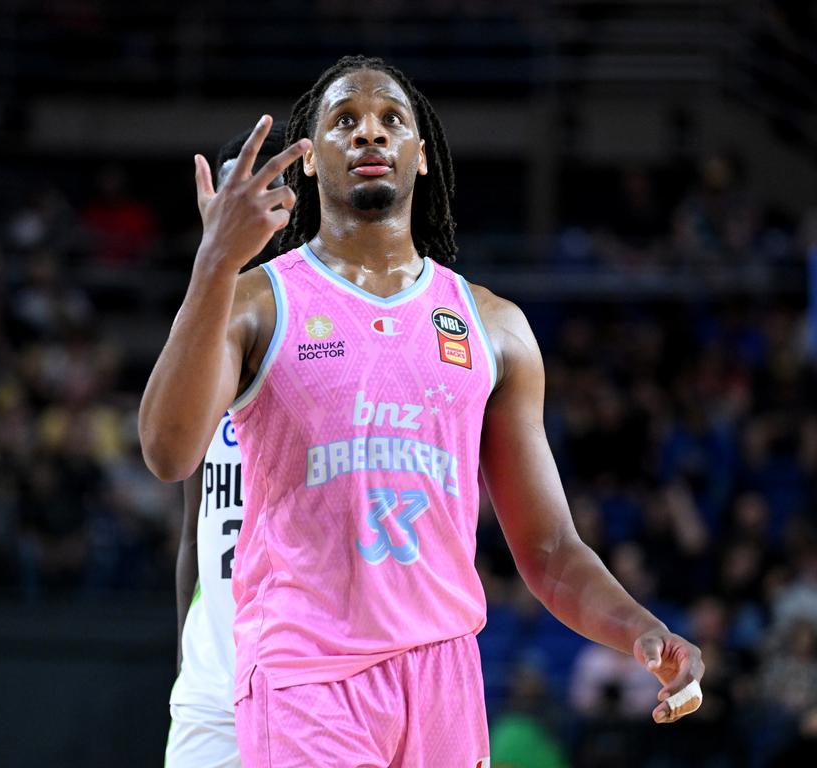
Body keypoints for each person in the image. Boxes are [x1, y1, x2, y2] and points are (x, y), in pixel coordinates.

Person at [139, 55, 705, 767]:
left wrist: (640, 627)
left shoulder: (493, 325)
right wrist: (215, 263)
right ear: (310, 163)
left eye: (390, 121)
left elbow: (552, 551)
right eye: (344, 122)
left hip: (444, 677)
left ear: (423, 157)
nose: (369, 134)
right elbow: (167, 452)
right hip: (304, 673)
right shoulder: (257, 300)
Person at [166, 121, 288, 768]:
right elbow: (193, 527)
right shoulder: (203, 328)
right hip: (211, 684)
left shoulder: (316, 314)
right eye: (228, 181)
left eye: (260, 180)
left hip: (302, 671)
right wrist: (187, 664)